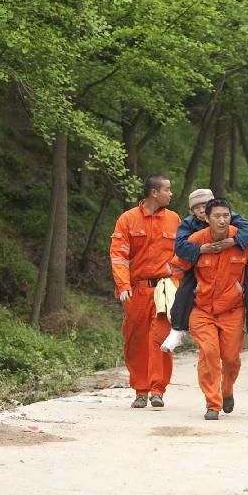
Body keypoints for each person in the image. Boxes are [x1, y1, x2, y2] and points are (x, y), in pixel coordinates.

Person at [169, 198, 248, 420]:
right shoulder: (195, 241)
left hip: (233, 310)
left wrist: (241, 287)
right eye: (216, 216)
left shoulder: (243, 240)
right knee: (209, 352)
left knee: (231, 358)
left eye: (226, 215)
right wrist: (190, 289)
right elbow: (176, 267)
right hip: (202, 310)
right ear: (206, 218)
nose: (222, 220)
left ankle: (227, 390)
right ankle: (213, 403)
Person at [109, 174, 181, 409]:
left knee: (160, 339)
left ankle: (157, 390)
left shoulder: (174, 219)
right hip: (137, 291)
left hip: (164, 290)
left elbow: (181, 256)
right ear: (154, 193)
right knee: (135, 340)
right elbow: (119, 255)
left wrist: (176, 285)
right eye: (167, 190)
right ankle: (140, 390)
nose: (171, 194)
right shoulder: (128, 219)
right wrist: (123, 285)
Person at [162, 189, 248, 351]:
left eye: (204, 205)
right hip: (200, 264)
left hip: (233, 264)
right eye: (197, 208)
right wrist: (201, 249)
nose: (201, 210)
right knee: (185, 287)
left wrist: (233, 241)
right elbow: (179, 247)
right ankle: (177, 328)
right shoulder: (188, 224)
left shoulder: (227, 216)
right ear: (192, 211)